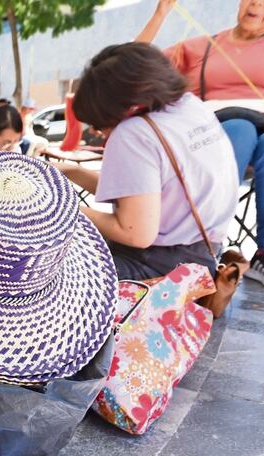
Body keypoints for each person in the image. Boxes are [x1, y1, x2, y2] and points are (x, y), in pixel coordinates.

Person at [137, 0, 264, 291]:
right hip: (207, 133)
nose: (257, 2)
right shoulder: (200, 46)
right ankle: (202, 246)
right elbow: (133, 66)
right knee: (239, 130)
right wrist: (160, 13)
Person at [62, 43, 238, 280]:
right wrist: (71, 171)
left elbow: (135, 233)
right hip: (203, 259)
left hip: (159, 269)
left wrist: (60, 208)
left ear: (118, 108)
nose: (96, 132)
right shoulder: (189, 107)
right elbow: (143, 195)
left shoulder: (133, 133)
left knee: (42, 270)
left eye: (98, 124)